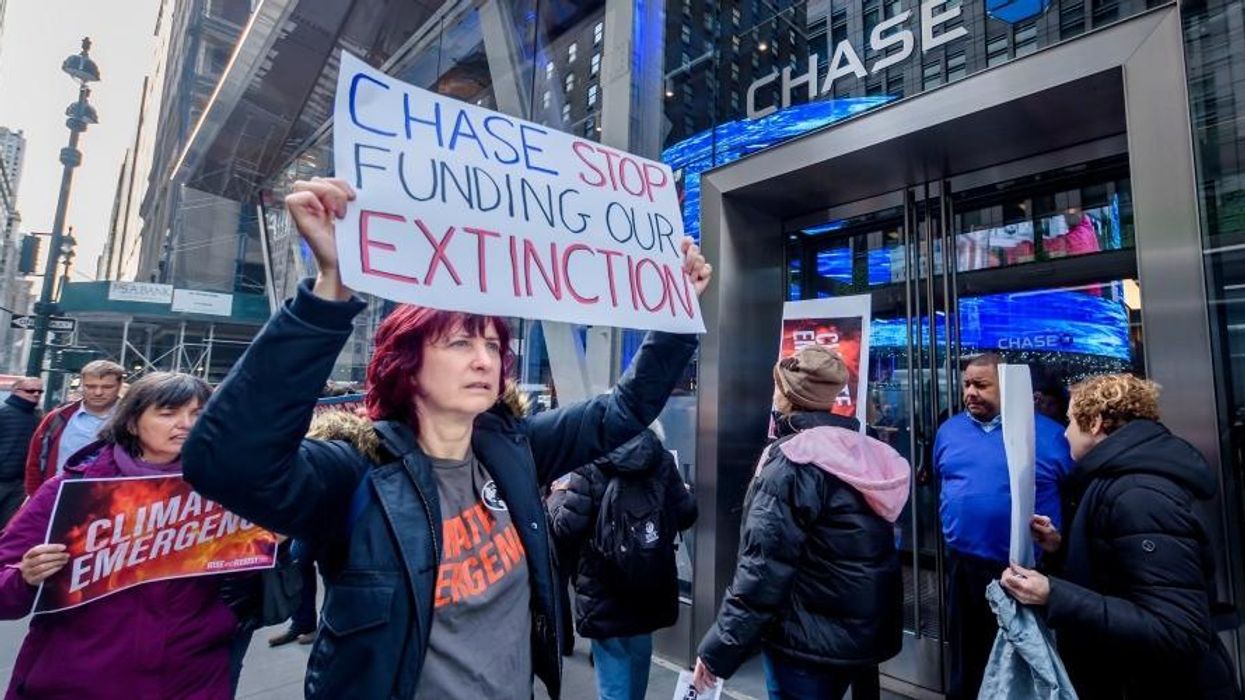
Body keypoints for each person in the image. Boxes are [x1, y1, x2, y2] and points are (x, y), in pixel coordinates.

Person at [181, 176, 713, 699]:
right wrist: (329, 292)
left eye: (492, 346)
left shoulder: (516, 448)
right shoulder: (357, 472)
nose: (485, 359)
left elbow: (625, 410)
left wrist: (677, 312)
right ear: (405, 364)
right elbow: (227, 463)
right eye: (460, 343)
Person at [0, 372, 243, 698]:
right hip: (80, 676)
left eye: (198, 414)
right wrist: (25, 577)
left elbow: (246, 578)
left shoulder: (225, 489)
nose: (186, 424)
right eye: (168, 413)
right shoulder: (70, 490)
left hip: (190, 676)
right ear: (131, 422)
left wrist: (273, 543)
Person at [1001, 374, 1240, 699]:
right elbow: (1123, 577)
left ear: (1096, 422)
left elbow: (1178, 630)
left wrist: (1053, 594)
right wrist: (1061, 549)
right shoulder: (1120, 479)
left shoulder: (1140, 493)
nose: (1065, 432)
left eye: (1070, 421)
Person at [692, 345, 910, 699]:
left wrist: (720, 647)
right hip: (860, 638)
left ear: (788, 394)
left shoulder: (792, 462)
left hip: (804, 642)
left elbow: (763, 569)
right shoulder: (863, 450)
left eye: (778, 386)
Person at [934, 353, 1074, 700]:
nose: (970, 393)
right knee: (968, 659)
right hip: (966, 567)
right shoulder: (949, 430)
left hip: (1027, 572)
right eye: (967, 384)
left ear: (1009, 388)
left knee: (1026, 664)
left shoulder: (1051, 435)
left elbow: (1075, 497)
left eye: (981, 385)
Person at [548, 425, 698, 700]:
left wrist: (558, 495)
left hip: (604, 589)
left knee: (613, 685)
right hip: (650, 584)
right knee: (639, 661)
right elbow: (687, 513)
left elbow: (567, 527)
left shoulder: (589, 465)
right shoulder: (661, 460)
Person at [24, 360, 125, 496]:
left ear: (119, 386)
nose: (98, 392)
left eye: (107, 387)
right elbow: (35, 460)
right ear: (82, 385)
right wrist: (35, 497)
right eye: (90, 386)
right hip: (57, 497)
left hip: (112, 501)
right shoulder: (57, 418)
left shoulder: (133, 420)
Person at [0, 378, 42, 526]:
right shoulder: (4, 413)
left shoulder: (38, 417)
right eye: (30, 391)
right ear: (15, 391)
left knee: (7, 525)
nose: (36, 394)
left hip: (19, 483)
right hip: (6, 479)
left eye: (39, 391)